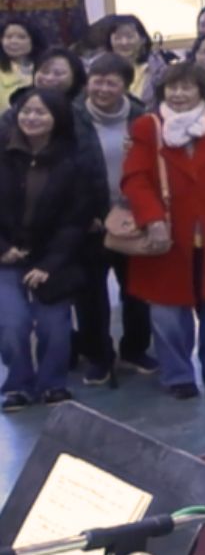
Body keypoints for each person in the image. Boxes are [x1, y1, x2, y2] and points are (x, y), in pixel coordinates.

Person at [121, 63, 205, 399]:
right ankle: (177, 374)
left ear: (202, 91)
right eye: (172, 87)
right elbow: (134, 179)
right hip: (167, 234)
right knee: (168, 311)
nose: (178, 94)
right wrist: (152, 218)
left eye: (186, 87)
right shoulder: (147, 127)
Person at [0, 90, 93, 408]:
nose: (31, 118)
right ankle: (17, 385)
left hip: (53, 256)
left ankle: (53, 384)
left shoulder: (74, 159)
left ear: (57, 118)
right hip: (5, 255)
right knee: (12, 323)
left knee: (55, 325)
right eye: (26, 111)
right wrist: (3, 249)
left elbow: (75, 221)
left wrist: (49, 264)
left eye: (40, 112)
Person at [70, 55, 160, 383]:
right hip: (89, 222)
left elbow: (156, 167)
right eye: (97, 81)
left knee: (137, 291)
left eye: (112, 82)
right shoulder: (71, 118)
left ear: (125, 85)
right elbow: (64, 173)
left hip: (133, 218)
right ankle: (98, 355)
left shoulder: (143, 117)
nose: (103, 88)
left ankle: (135, 349)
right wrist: (86, 215)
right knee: (90, 295)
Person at [0, 18, 45, 109]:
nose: (14, 41)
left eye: (22, 37)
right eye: (8, 37)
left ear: (34, 40)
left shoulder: (46, 67)